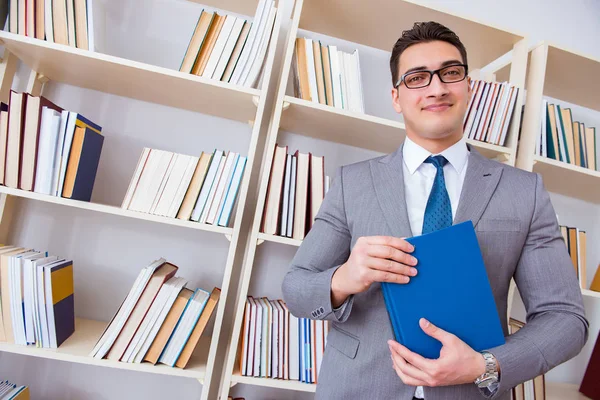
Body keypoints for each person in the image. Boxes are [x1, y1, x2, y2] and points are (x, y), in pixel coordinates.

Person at [281, 21, 589, 400]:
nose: (437, 88)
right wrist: (343, 278)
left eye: (451, 73)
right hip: (357, 389)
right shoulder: (352, 184)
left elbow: (565, 319)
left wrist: (486, 365)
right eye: (417, 78)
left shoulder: (524, 192)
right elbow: (296, 289)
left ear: (468, 87)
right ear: (396, 98)